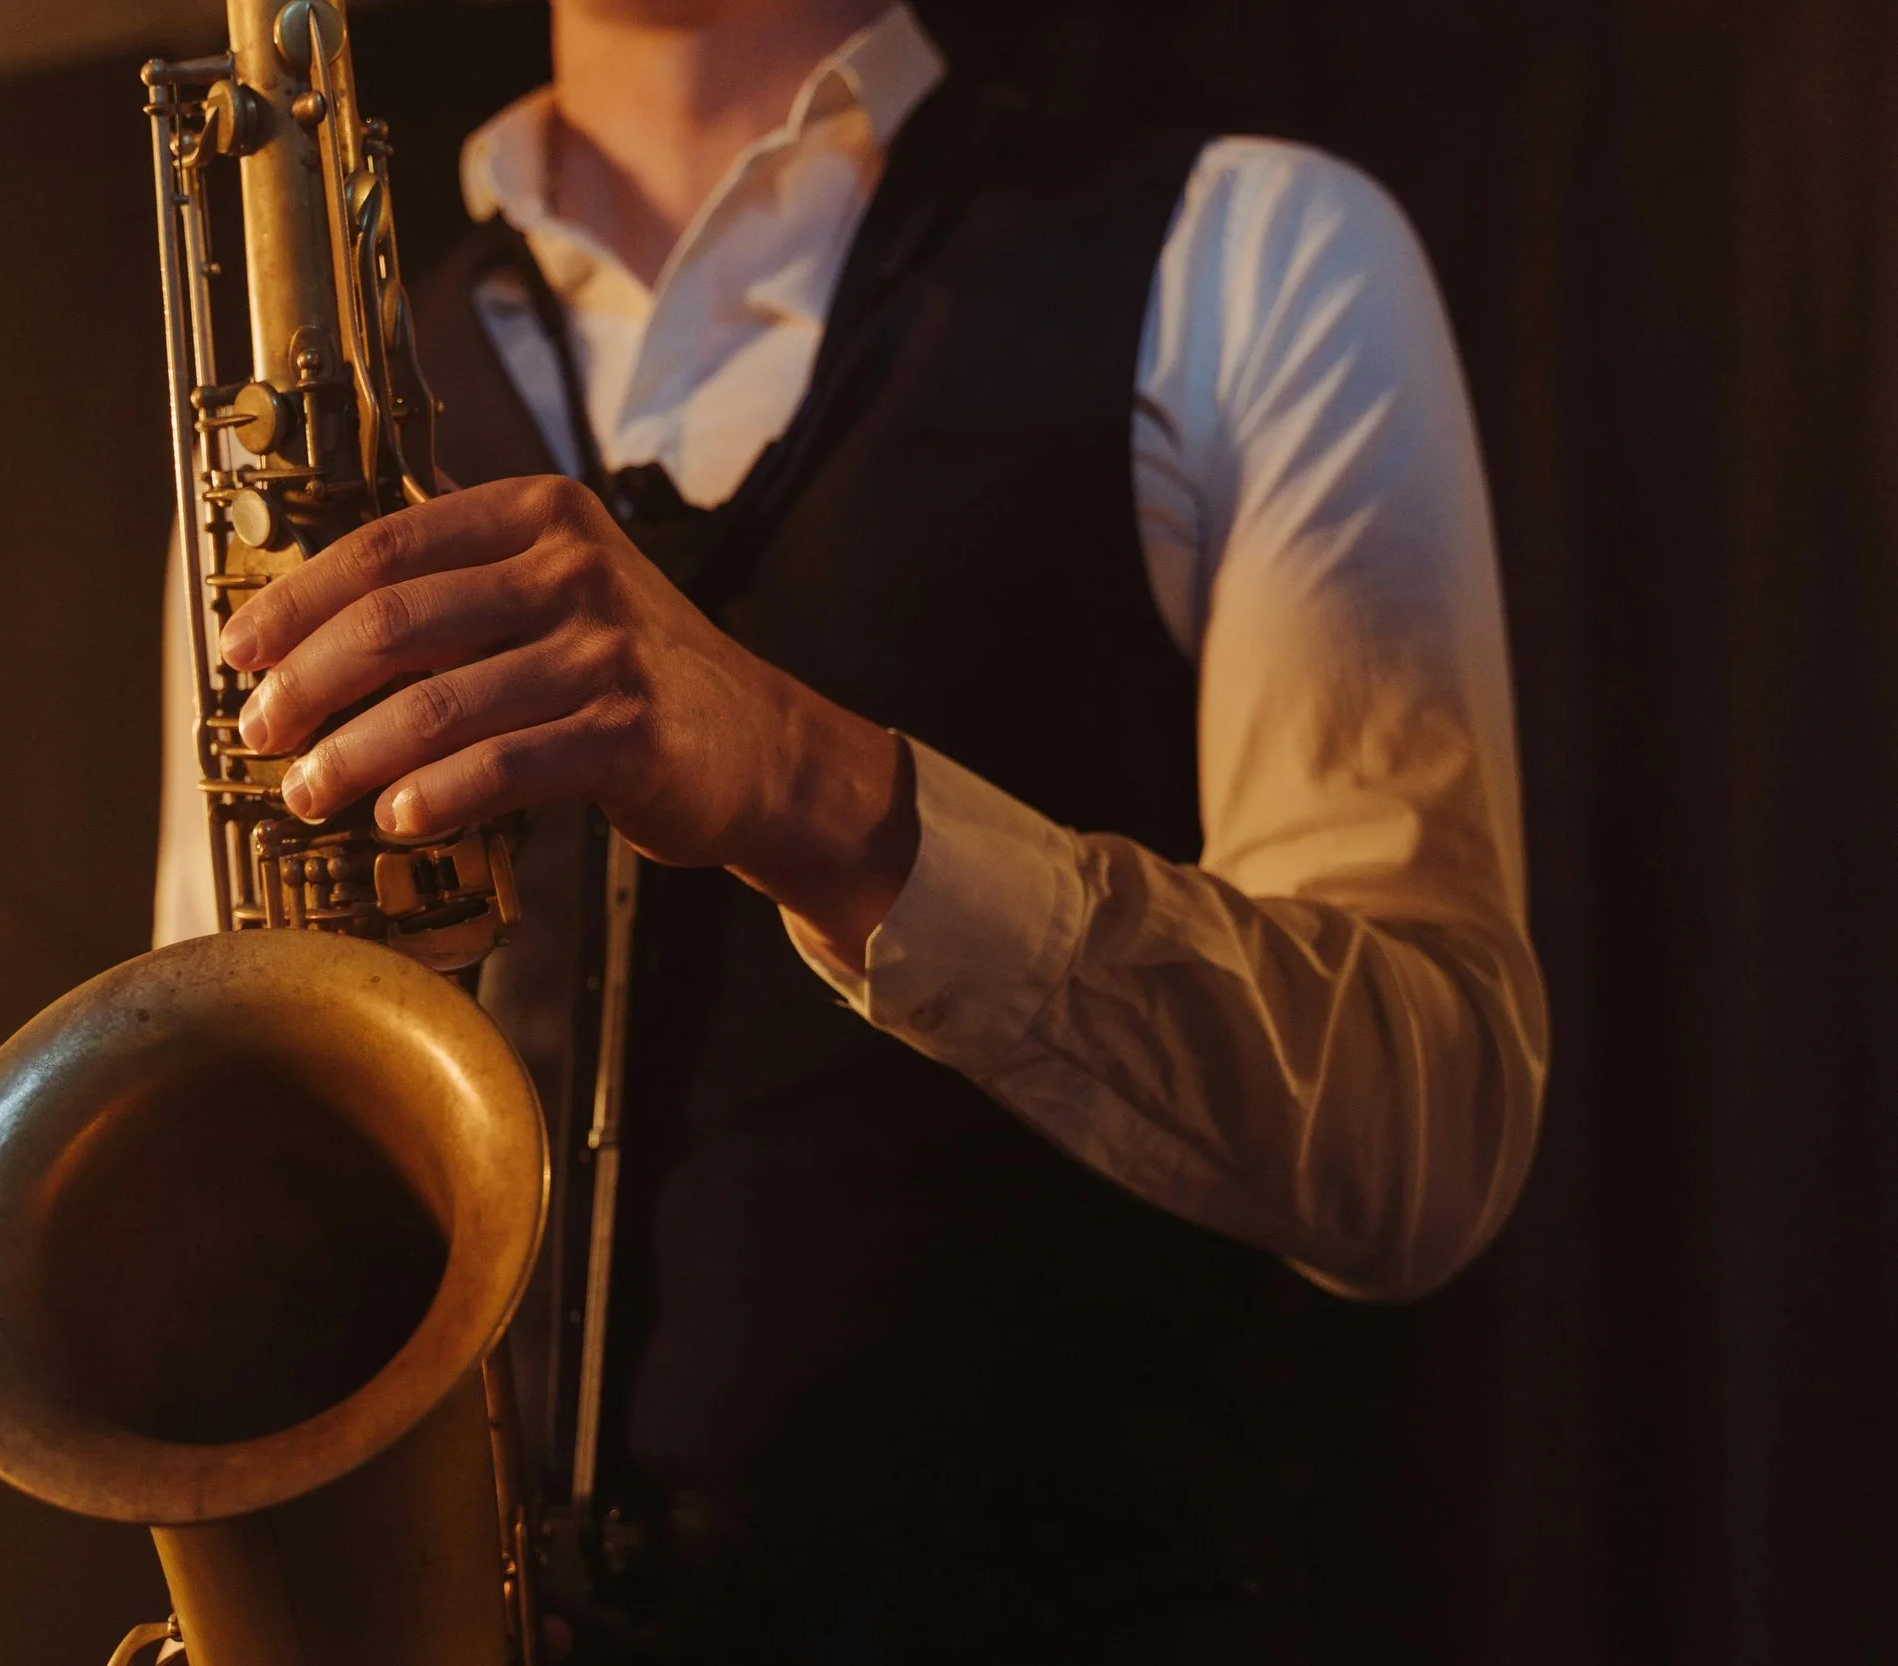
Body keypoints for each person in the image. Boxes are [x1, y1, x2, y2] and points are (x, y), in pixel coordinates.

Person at [155, 0, 1548, 1658]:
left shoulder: (1254, 251)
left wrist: (821, 795)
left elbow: (1428, 1132)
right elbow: (213, 1123)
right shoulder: (282, 446)